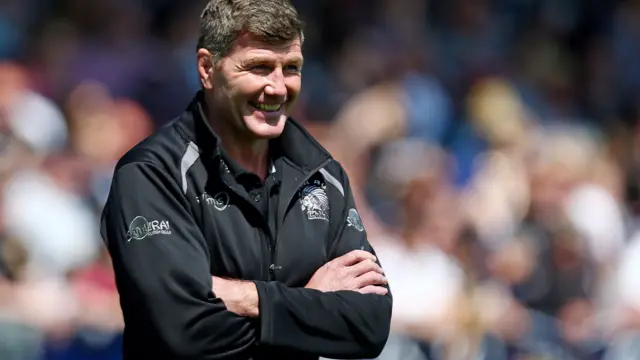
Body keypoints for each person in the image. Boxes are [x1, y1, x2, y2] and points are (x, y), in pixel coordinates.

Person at [100, 0, 392, 359]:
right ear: (207, 69)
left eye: (291, 68)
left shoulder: (323, 173)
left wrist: (241, 297)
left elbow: (370, 323)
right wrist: (311, 301)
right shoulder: (151, 173)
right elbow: (182, 330)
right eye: (259, 67)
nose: (278, 88)